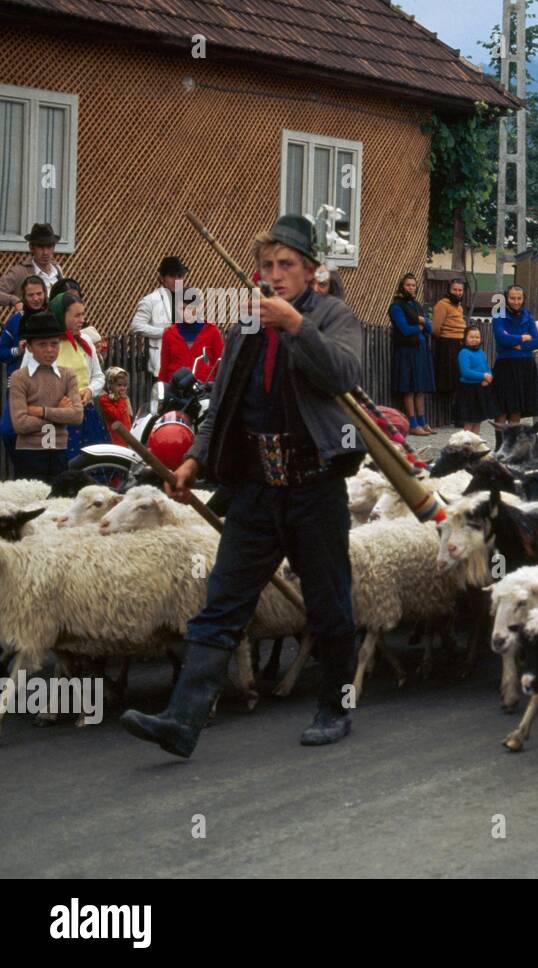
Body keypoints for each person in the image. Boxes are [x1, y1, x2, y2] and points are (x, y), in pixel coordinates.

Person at [120, 214, 366, 757]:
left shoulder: (332, 315)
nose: (274, 276)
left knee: (329, 603)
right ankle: (183, 720)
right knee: (222, 602)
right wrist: (194, 461)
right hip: (256, 489)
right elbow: (223, 406)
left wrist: (296, 327)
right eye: (267, 266)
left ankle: (336, 705)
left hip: (314, 485)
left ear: (310, 272)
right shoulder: (245, 326)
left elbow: (343, 375)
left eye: (287, 266)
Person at [7, 309, 83, 482]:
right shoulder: (20, 377)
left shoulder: (67, 375)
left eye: (54, 344)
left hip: (59, 451)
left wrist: (42, 411)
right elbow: (20, 424)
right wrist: (59, 413)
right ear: (30, 347)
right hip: (29, 453)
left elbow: (77, 415)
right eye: (42, 344)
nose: (49, 350)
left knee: (58, 502)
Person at [51, 292, 107, 458]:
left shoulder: (85, 341)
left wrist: (90, 390)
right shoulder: (46, 344)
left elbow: (98, 376)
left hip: (86, 415)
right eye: (77, 315)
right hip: (58, 419)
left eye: (83, 314)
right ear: (61, 315)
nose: (82, 320)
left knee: (95, 464)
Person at [0, 276, 46, 465]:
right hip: (18, 385)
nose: (36, 299)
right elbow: (1, 351)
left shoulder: (52, 319)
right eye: (31, 295)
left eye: (39, 294)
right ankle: (21, 470)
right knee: (9, 431)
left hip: (46, 384)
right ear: (24, 297)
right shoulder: (15, 321)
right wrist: (17, 349)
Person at [389, 273, 436, 435]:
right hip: (406, 350)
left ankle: (423, 422)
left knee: (420, 388)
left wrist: (424, 323)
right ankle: (413, 424)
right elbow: (404, 329)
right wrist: (420, 324)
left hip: (420, 350)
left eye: (413, 285)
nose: (411, 288)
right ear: (402, 286)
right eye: (408, 285)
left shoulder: (417, 305)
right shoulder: (396, 306)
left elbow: (431, 328)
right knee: (409, 388)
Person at [130, 256, 188, 384]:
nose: (177, 280)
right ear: (162, 278)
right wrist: (165, 332)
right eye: (172, 276)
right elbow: (136, 326)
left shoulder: (186, 299)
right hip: (162, 364)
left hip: (184, 363)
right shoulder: (151, 300)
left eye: (180, 276)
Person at [491, 285, 538, 425]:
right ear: (506, 298)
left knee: (517, 408)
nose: (516, 301)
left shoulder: (527, 315)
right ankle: (500, 443)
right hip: (505, 364)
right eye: (512, 298)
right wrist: (522, 338)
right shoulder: (499, 314)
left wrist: (515, 342)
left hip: (525, 365)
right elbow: (501, 338)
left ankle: (512, 443)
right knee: (502, 407)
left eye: (519, 298)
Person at [160, 288, 224, 384]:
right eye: (182, 308)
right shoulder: (169, 334)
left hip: (204, 390)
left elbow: (221, 365)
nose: (187, 312)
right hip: (176, 390)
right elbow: (164, 368)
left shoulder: (212, 332)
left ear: (198, 308)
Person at [0, 223, 63, 311]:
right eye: (40, 247)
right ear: (31, 248)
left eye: (49, 247)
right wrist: (15, 301)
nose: (45, 252)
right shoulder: (20, 272)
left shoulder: (57, 269)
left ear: (54, 248)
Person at [431, 278, 469, 420]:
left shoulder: (459, 307)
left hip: (460, 344)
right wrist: (447, 339)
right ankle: (453, 416)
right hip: (447, 344)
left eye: (460, 290)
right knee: (452, 380)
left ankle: (459, 415)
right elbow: (435, 329)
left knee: (462, 379)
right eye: (455, 290)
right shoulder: (442, 305)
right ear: (449, 290)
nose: (458, 293)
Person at [455, 326, 496, 434]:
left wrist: (488, 377)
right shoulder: (464, 352)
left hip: (480, 389)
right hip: (468, 390)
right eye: (471, 337)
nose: (475, 339)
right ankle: (467, 444)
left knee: (478, 420)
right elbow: (466, 372)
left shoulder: (481, 352)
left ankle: (476, 443)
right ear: (465, 338)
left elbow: (486, 368)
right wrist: (483, 376)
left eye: (477, 337)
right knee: (469, 420)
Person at [98, 367, 134, 446]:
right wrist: (122, 400)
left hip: (126, 434)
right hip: (115, 438)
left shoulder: (123, 398)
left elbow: (130, 415)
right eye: (119, 385)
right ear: (110, 384)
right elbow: (116, 415)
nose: (122, 388)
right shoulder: (105, 399)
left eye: (125, 385)